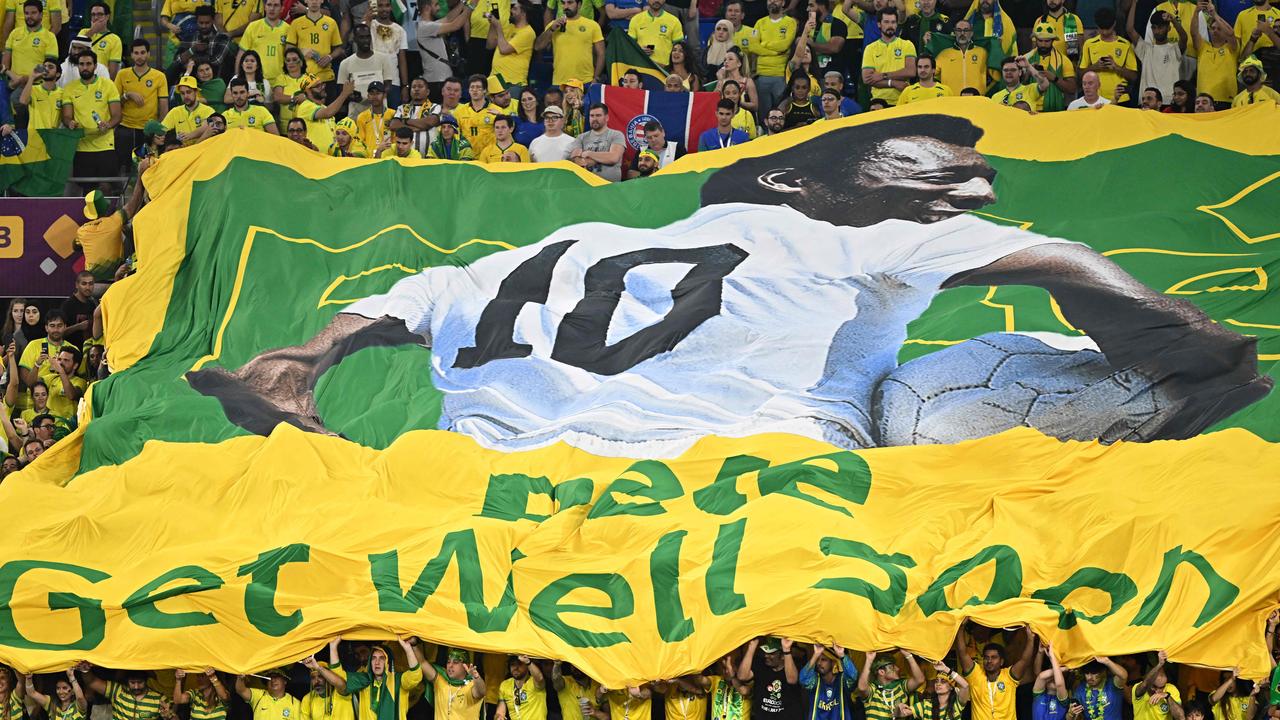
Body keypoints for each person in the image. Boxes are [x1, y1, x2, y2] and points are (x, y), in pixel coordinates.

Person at [185, 113, 1273, 456]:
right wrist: (1193, 356)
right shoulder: (839, 237)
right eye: (933, 183)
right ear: (801, 182)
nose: (964, 199)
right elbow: (1069, 272)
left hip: (507, 474)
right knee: (925, 400)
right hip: (751, 466)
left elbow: (412, 296)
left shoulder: (556, 241)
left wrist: (309, 356)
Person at [315, 637, 424, 720]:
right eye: (374, 658)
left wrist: (408, 649)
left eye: (382, 658)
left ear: (387, 661)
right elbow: (339, 677)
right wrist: (333, 647)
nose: (377, 662)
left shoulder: (398, 680)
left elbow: (415, 676)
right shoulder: (364, 679)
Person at [61, 51, 122, 185]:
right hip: (81, 147)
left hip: (105, 145)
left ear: (95, 66)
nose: (85, 67)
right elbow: (66, 116)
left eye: (88, 64)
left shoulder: (108, 85)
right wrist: (69, 123)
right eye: (81, 64)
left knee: (107, 187)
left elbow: (117, 116)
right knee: (86, 189)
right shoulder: (69, 89)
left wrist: (108, 125)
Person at [956, 625, 1036, 720]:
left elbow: (1024, 660)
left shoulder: (1009, 676)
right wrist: (961, 628)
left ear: (1001, 661)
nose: (989, 661)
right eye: (986, 657)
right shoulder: (975, 675)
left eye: (994, 657)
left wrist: (1031, 639)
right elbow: (962, 653)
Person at [113, 39, 168, 169]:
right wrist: (128, 95)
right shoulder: (122, 74)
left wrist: (159, 128)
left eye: (143, 52)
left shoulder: (159, 76)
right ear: (131, 55)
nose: (139, 56)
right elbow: (114, 103)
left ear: (149, 54)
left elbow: (164, 105)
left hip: (148, 130)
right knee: (123, 165)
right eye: (136, 53)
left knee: (149, 166)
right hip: (125, 127)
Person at [537, 0, 605, 87]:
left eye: (570, 3)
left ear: (579, 4)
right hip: (559, 82)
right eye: (563, 3)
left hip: (585, 82)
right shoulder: (553, 25)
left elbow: (601, 53)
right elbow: (538, 46)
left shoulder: (593, 25)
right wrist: (551, 29)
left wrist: (596, 78)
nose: (566, 6)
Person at [1127, 4, 1186, 104]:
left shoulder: (1174, 49)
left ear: (1169, 28)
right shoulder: (1145, 49)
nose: (1157, 31)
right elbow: (1130, 29)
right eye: (1154, 28)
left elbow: (1184, 37)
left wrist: (1173, 20)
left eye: (1160, 27)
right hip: (1147, 103)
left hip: (1168, 102)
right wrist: (1134, 3)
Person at [337, 23, 397, 117]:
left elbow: (388, 86)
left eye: (368, 37)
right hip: (356, 113)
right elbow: (341, 90)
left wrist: (375, 97)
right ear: (355, 39)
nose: (366, 40)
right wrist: (355, 97)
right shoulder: (345, 63)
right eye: (361, 37)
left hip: (379, 113)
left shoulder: (383, 59)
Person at [1079, 7, 1137, 103]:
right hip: (1096, 99)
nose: (1105, 32)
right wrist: (1095, 67)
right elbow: (1080, 73)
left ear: (1114, 24)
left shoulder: (1125, 44)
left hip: (1121, 99)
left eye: (1108, 29)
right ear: (1097, 25)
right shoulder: (1089, 44)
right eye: (1102, 29)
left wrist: (1116, 67)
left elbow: (1134, 76)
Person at [750, 0, 797, 116]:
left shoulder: (790, 22)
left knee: (781, 113)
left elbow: (784, 45)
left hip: (780, 75)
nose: (772, 2)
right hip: (761, 75)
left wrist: (764, 44)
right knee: (763, 114)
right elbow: (752, 46)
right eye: (770, 0)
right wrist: (776, 52)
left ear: (783, 2)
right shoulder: (760, 23)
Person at [861, 8, 917, 106]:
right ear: (879, 24)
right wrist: (893, 83)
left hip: (902, 100)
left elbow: (911, 71)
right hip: (878, 102)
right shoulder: (870, 48)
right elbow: (867, 78)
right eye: (886, 22)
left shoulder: (907, 45)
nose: (890, 25)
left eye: (893, 22)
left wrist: (883, 75)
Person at [737, 638, 803, 720]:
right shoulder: (760, 664)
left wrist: (786, 649)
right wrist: (751, 648)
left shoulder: (793, 667)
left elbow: (792, 680)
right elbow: (742, 676)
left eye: (771, 653)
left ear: (782, 656)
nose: (766, 656)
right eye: (765, 652)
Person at [415, 0, 470, 93]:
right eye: (436, 5)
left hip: (440, 79)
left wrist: (463, 2)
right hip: (437, 81)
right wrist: (471, 7)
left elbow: (449, 18)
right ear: (427, 8)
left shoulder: (427, 25)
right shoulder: (425, 27)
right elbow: (455, 25)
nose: (439, 8)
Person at [1191, 1, 1240, 107]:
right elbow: (1194, 33)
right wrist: (1196, 11)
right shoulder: (1203, 47)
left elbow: (1231, 34)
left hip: (1226, 100)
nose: (1215, 31)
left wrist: (1214, 14)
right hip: (1203, 101)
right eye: (1212, 28)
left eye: (1219, 29)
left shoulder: (1231, 48)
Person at [292, 74, 355, 152]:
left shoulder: (324, 107)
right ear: (308, 91)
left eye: (322, 84)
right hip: (315, 156)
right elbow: (328, 113)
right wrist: (344, 93)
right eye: (318, 86)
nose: (323, 87)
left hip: (329, 157)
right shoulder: (305, 106)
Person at [287, 0, 345, 83]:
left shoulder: (331, 23)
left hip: (326, 76)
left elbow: (339, 48)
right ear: (306, 1)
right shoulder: (296, 23)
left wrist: (330, 57)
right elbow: (288, 49)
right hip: (303, 77)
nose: (314, 2)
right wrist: (301, 51)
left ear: (322, 1)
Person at [78, 667, 164, 720]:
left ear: (146, 681)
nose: (136, 687)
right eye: (132, 683)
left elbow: (174, 716)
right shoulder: (118, 691)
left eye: (140, 682)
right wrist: (85, 670)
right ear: (127, 681)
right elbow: (92, 681)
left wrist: (169, 716)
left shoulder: (158, 698)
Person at [859, 651, 925, 720]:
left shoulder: (901, 686)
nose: (897, 669)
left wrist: (908, 655)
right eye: (892, 667)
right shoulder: (874, 690)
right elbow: (862, 688)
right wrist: (868, 661)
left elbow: (919, 679)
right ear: (882, 672)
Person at [3, 0, 56, 84]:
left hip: (35, 84)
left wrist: (25, 79)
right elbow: (5, 63)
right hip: (12, 81)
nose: (29, 16)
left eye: (33, 13)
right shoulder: (14, 33)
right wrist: (12, 77)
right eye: (26, 13)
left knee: (15, 97)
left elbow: (49, 68)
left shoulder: (49, 37)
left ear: (41, 15)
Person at [423, 649, 486, 720]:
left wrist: (476, 677)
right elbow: (422, 662)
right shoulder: (440, 681)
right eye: (448, 662)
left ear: (466, 666)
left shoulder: (472, 685)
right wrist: (414, 645)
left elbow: (481, 692)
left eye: (455, 662)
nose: (450, 665)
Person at [799, 645, 858, 720]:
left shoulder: (843, 680)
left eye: (823, 660)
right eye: (818, 659)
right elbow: (803, 679)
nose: (819, 663)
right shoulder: (815, 680)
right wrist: (815, 655)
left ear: (833, 662)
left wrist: (842, 656)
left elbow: (853, 676)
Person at [568, 102, 624, 179]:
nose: (594, 119)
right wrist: (602, 158)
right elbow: (576, 161)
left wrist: (588, 153)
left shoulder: (616, 135)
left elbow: (613, 158)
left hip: (610, 186)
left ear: (607, 117)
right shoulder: (581, 137)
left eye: (598, 115)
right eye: (592, 116)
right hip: (587, 185)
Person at [489, 1, 535, 93]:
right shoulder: (509, 28)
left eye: (515, 9)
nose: (511, 10)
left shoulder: (528, 32)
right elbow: (490, 44)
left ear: (523, 12)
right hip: (495, 81)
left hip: (513, 84)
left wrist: (498, 26)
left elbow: (504, 49)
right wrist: (493, 24)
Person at [238, 0, 289, 82]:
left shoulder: (288, 29)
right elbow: (241, 54)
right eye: (269, 5)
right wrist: (238, 77)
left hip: (280, 81)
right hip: (256, 79)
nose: (272, 8)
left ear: (282, 8)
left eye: (276, 5)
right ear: (265, 7)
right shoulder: (253, 26)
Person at [934, 20, 990, 95]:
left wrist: (984, 92)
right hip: (951, 101)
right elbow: (928, 74)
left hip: (977, 101)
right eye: (959, 30)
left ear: (971, 33)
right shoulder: (944, 54)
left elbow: (996, 75)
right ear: (954, 32)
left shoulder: (982, 53)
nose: (962, 33)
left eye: (966, 30)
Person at [161, 75, 215, 145]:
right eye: (182, 93)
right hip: (182, 151)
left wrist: (189, 135)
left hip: (203, 150)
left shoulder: (208, 110)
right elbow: (162, 130)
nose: (185, 96)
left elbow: (207, 126)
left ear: (196, 92)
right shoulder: (175, 111)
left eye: (188, 92)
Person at [456, 74, 501, 156]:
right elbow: (455, 136)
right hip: (467, 157)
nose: (475, 90)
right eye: (472, 87)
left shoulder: (497, 111)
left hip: (490, 157)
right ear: (468, 90)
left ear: (485, 90)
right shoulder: (460, 112)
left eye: (478, 87)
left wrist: (501, 117)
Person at [629, 0, 684, 65]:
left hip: (664, 69)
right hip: (641, 66)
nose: (657, 0)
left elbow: (679, 48)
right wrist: (639, 50)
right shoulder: (636, 19)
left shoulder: (674, 21)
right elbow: (629, 45)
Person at [1133, 652, 1185, 720]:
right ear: (1149, 683)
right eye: (1154, 687)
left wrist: (1167, 696)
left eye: (1161, 688)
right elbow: (1145, 684)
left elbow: (1181, 717)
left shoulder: (1171, 689)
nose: (1157, 691)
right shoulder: (1139, 688)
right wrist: (1159, 664)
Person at [236, 669, 301, 720]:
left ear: (285, 681)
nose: (273, 680)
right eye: (269, 678)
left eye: (276, 677)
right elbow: (241, 690)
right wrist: (240, 678)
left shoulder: (295, 703)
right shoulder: (259, 695)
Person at [495, 656, 547, 720]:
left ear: (527, 666)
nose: (516, 668)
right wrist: (499, 717)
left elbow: (540, 679)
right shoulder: (505, 685)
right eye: (513, 664)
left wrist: (528, 662)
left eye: (520, 664)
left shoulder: (534, 682)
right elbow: (500, 712)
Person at [59, 272, 97, 349]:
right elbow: (59, 332)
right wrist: (78, 327)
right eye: (84, 284)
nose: (88, 287)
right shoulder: (68, 305)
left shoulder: (92, 304)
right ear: (77, 285)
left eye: (91, 284)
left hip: (89, 350)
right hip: (71, 351)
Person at [355, 80, 394, 148]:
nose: (374, 96)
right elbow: (360, 141)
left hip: (388, 156)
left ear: (384, 95)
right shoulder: (362, 117)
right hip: (369, 157)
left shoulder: (393, 114)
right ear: (368, 96)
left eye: (378, 93)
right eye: (372, 93)